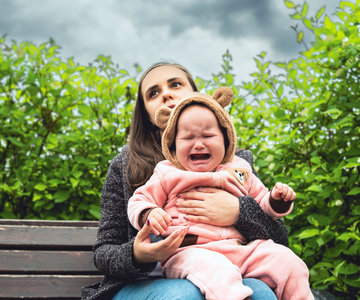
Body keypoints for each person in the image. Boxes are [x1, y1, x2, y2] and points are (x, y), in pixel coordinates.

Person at [81, 62, 290, 300]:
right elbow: (104, 251)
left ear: (196, 96)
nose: (166, 93)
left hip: (226, 273)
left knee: (261, 293)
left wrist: (238, 211)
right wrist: (138, 255)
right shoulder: (126, 164)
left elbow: (279, 239)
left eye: (175, 84)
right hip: (142, 284)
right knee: (186, 294)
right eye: (153, 93)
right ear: (150, 114)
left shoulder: (235, 162)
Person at [127, 87, 314, 300]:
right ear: (173, 145)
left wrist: (276, 201)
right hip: (190, 253)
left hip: (241, 249)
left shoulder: (240, 169)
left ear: (226, 140)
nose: (198, 144)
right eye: (187, 138)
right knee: (220, 274)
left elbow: (261, 203)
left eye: (208, 135)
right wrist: (148, 213)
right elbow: (139, 200)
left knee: (288, 261)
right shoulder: (167, 172)